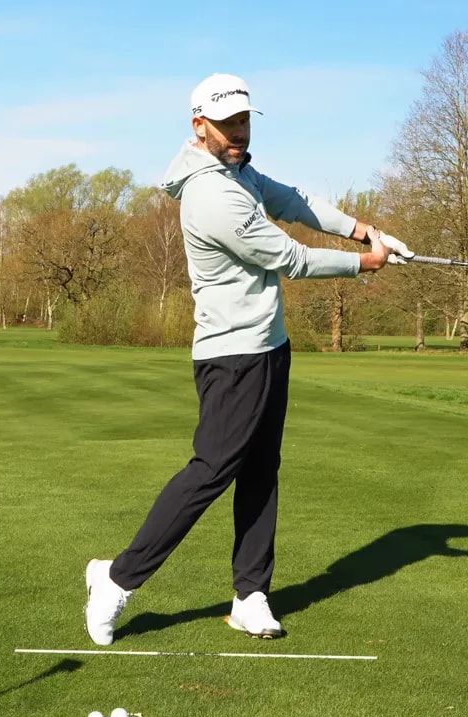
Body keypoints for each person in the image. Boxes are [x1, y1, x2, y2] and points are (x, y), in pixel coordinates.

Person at [84, 72, 415, 645]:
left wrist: (365, 229)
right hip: (231, 355)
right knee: (211, 471)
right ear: (200, 127)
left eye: (243, 120)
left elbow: (295, 201)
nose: (238, 132)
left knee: (262, 469)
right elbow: (289, 258)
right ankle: (116, 580)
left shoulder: (239, 173)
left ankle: (250, 594)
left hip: (269, 346)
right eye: (227, 123)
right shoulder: (211, 193)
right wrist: (366, 263)